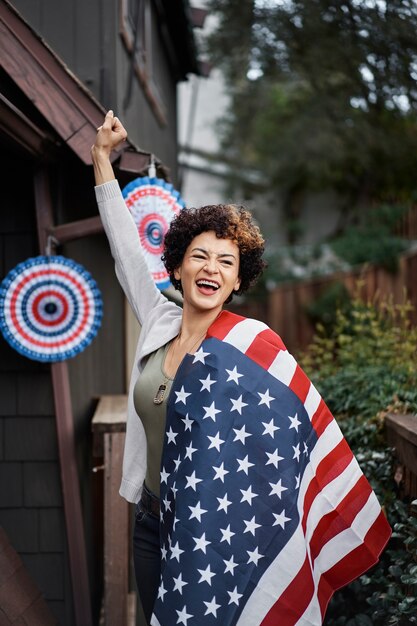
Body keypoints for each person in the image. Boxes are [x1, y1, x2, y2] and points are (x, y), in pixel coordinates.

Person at [92, 111, 391, 626]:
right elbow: (124, 252)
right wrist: (101, 160)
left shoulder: (251, 344)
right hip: (151, 521)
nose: (210, 268)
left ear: (237, 280)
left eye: (226, 262)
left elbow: (298, 428)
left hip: (213, 526)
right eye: (200, 256)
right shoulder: (158, 319)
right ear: (179, 265)